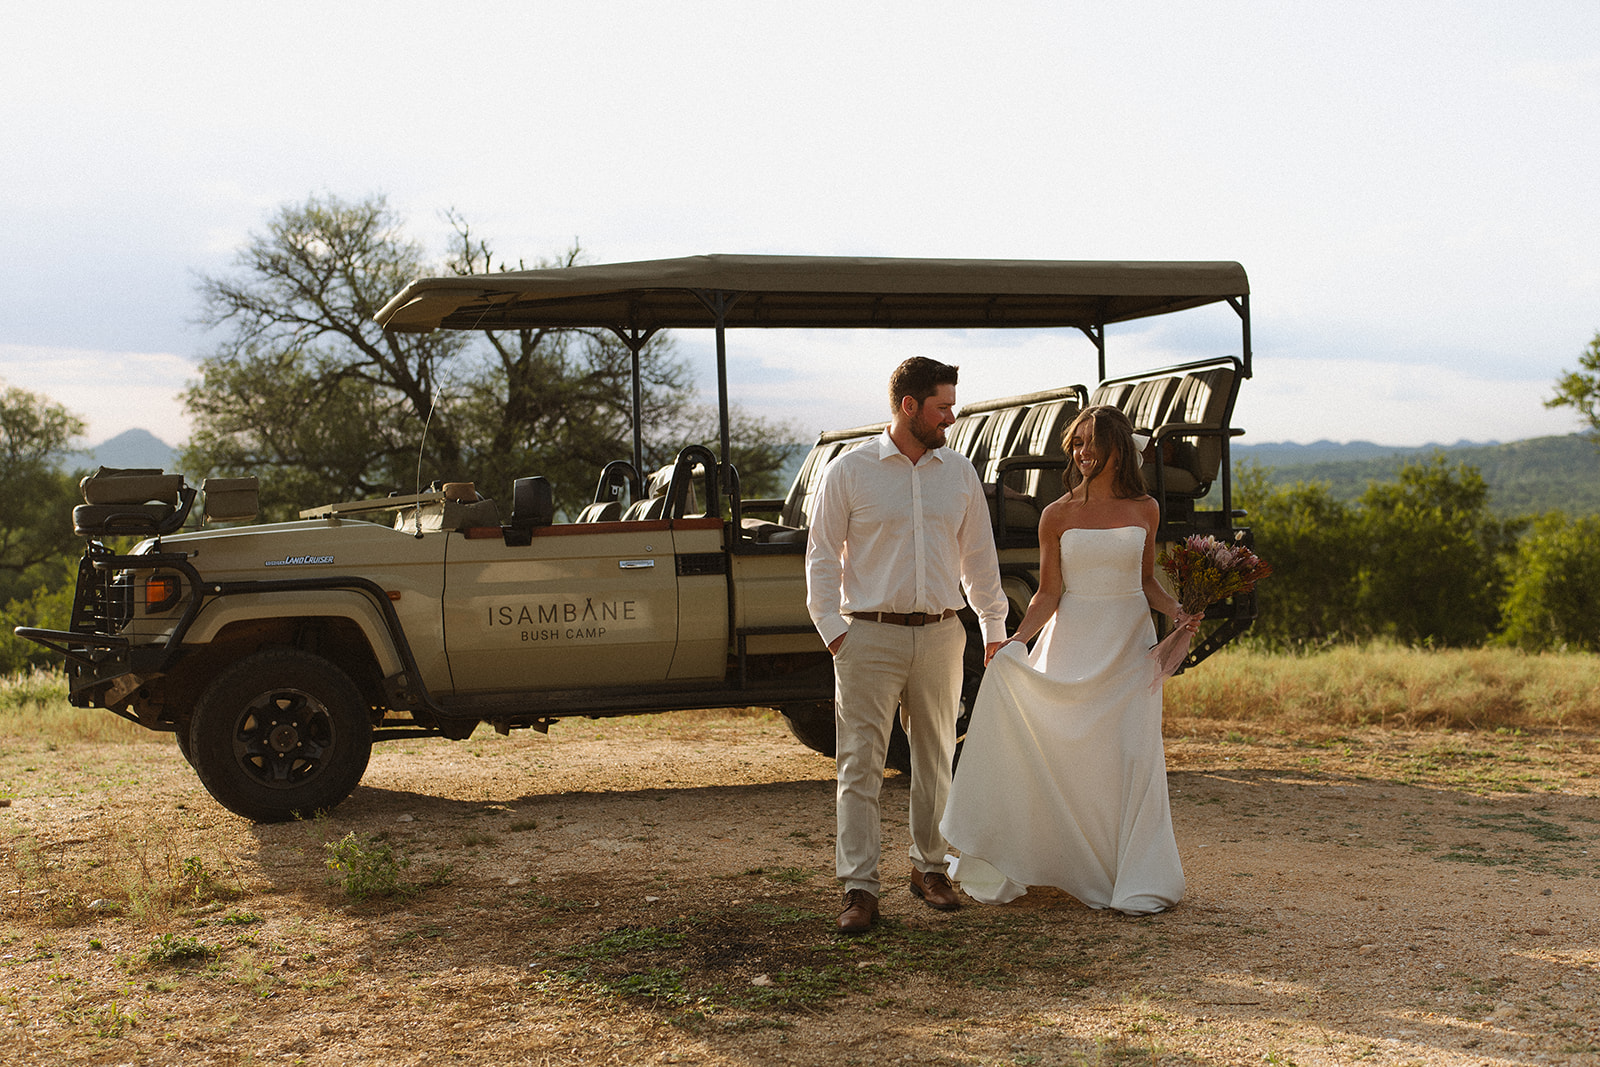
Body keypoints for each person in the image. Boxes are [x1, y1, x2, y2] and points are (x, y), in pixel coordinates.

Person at [940, 404, 1201, 914]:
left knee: (1128, 755)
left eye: (1091, 443)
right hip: (1073, 638)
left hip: (1129, 643)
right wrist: (1015, 641)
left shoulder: (1146, 508)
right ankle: (1054, 860)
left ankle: (1128, 871)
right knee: (1064, 752)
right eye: (1076, 444)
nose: (1082, 453)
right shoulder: (1056, 514)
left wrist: (1180, 610)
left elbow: (1146, 581)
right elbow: (1049, 593)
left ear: (1117, 449)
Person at [805, 356, 1009, 935]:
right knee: (860, 765)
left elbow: (980, 560)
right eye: (942, 407)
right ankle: (859, 889)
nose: (951, 417)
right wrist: (835, 631)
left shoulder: (960, 473)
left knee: (936, 759)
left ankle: (930, 869)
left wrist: (993, 628)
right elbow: (821, 556)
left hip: (943, 634)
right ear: (909, 407)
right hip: (866, 636)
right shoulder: (849, 471)